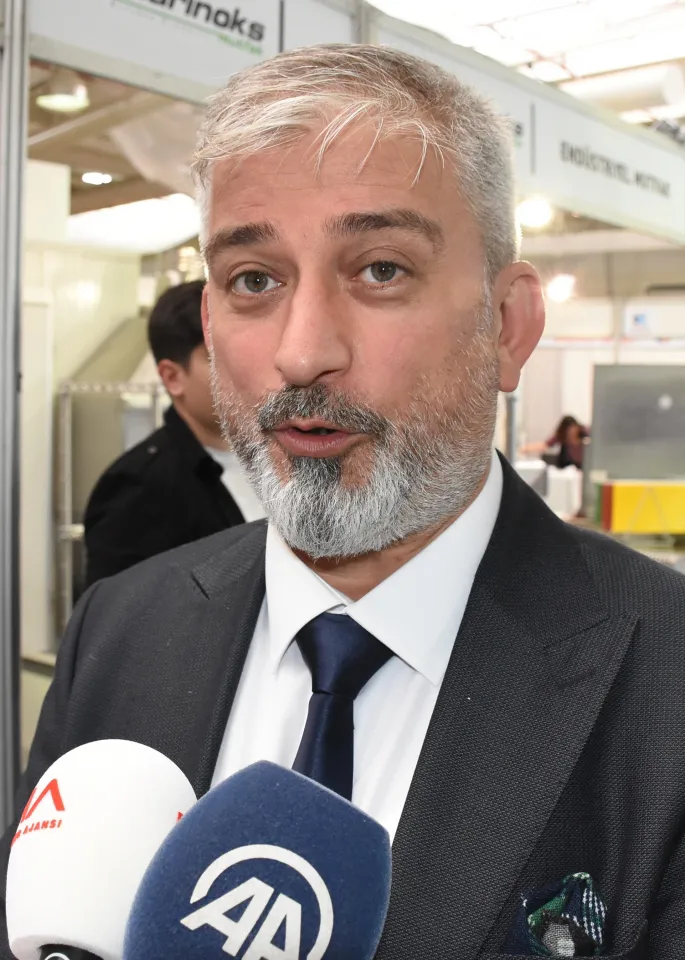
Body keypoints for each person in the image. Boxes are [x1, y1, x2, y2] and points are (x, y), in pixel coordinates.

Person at [2, 44, 685, 958]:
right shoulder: (120, 630)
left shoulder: (664, 681)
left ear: (507, 324)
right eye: (254, 280)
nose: (301, 352)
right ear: (209, 323)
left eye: (380, 270)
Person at [82, 280, 263, 585]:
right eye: (219, 357)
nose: (247, 371)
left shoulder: (280, 459)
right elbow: (122, 612)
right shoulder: (137, 490)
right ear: (172, 378)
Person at [521, 414, 589, 470]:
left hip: (586, 464)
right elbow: (544, 445)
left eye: (573, 429)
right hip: (570, 466)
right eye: (568, 431)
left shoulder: (585, 432)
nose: (571, 433)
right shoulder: (561, 436)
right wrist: (524, 449)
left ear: (577, 428)